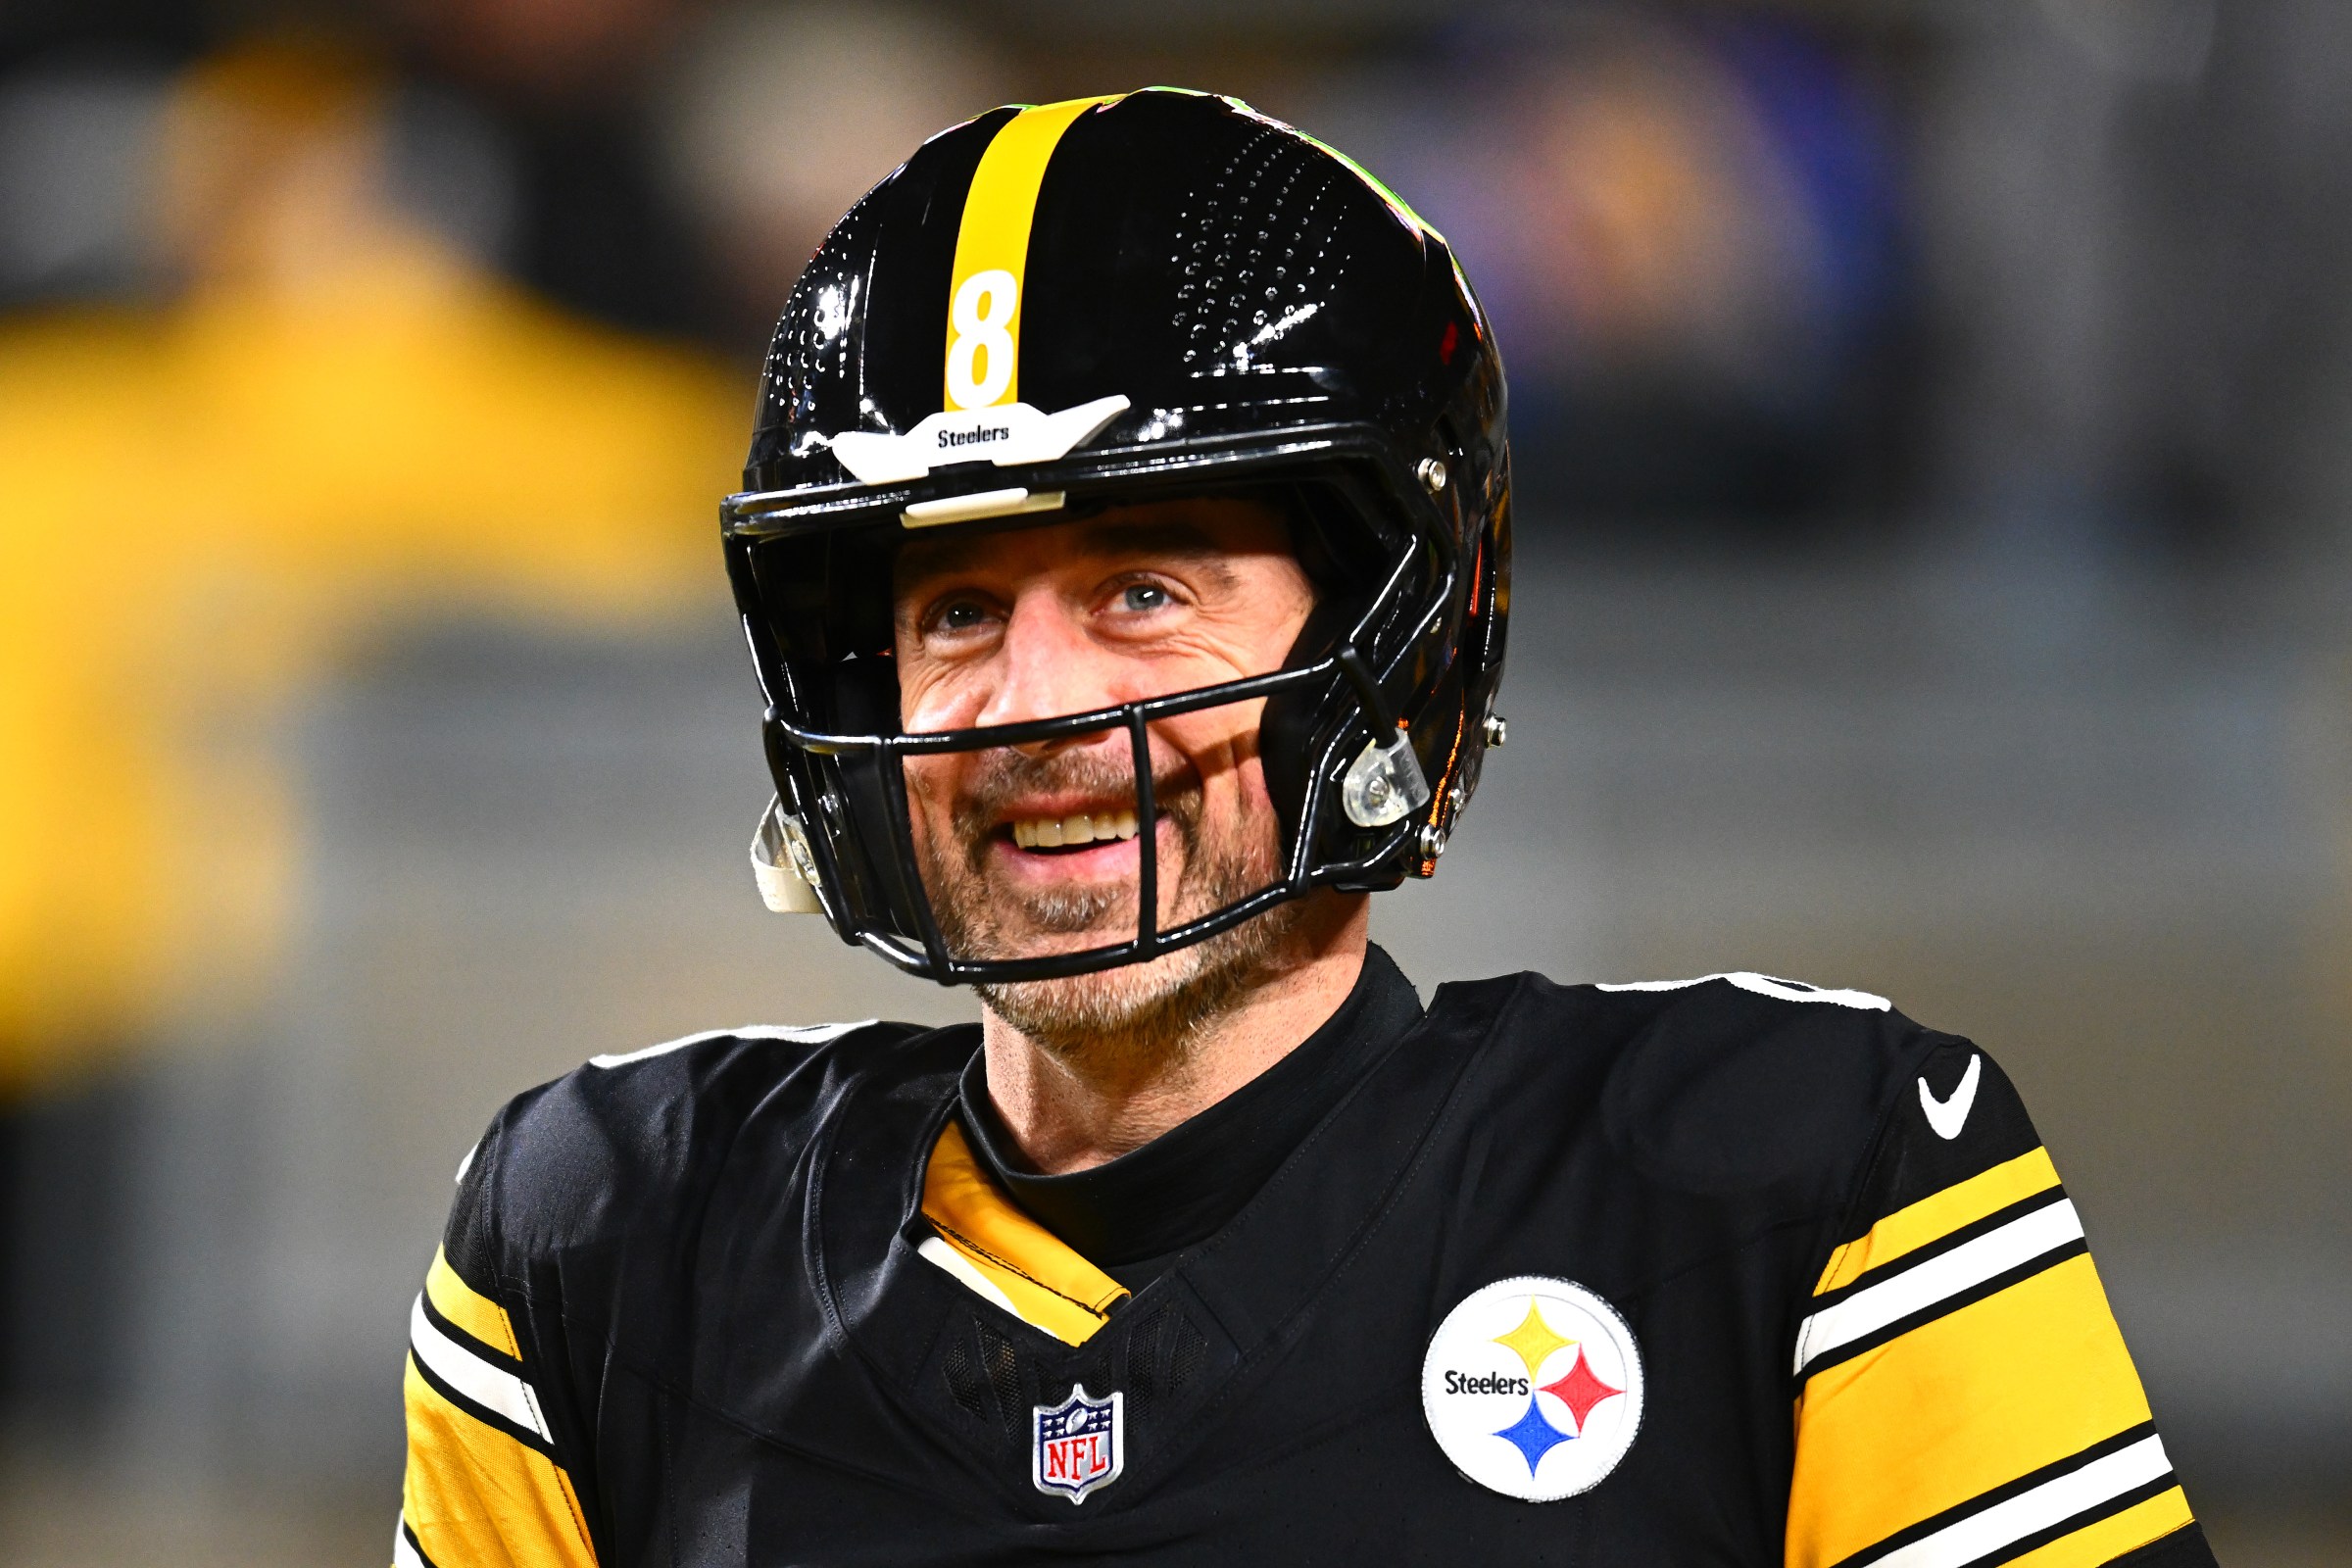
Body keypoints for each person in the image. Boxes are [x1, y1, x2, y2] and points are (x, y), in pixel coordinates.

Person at [391, 91, 2215, 1567]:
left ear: (1386, 642)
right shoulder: (613, 1243)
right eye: (954, 614)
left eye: (1146, 590)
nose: (1029, 706)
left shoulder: (1799, 1187)